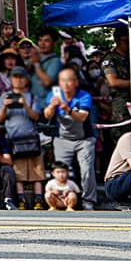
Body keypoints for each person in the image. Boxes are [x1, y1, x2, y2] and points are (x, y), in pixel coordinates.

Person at [43, 67, 96, 210]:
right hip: (62, 138)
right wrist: (52, 107)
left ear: (76, 82)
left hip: (84, 139)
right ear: (59, 83)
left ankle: (88, 200)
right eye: (63, 81)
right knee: (60, 170)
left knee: (87, 169)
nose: (66, 84)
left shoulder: (83, 96)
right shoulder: (53, 95)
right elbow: (47, 115)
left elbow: (82, 117)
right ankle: (60, 199)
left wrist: (66, 108)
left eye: (70, 80)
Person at [0, 67, 44, 209]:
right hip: (14, 140)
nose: (18, 79)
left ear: (26, 79)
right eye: (15, 77)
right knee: (18, 173)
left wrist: (25, 105)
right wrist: (4, 106)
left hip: (31, 139)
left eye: (21, 77)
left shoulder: (32, 96)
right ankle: (21, 201)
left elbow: (36, 117)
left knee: (37, 173)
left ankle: (39, 201)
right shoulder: (5, 96)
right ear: (11, 79)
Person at [27, 29, 62, 106]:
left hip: (47, 105)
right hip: (32, 105)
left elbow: (47, 82)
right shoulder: (34, 57)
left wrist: (36, 64)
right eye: (40, 40)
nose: (42, 43)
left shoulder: (56, 61)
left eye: (46, 41)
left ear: (54, 43)